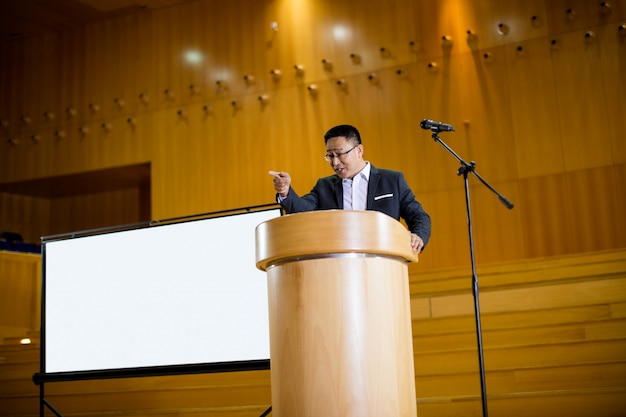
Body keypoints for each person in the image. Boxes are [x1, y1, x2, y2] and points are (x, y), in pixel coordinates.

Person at [269, 124, 431, 253]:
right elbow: (302, 211)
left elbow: (418, 216)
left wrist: (418, 236)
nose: (335, 162)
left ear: (359, 150)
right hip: (339, 266)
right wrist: (285, 192)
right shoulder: (324, 186)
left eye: (340, 154)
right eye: (330, 156)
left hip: (384, 261)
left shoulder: (392, 180)